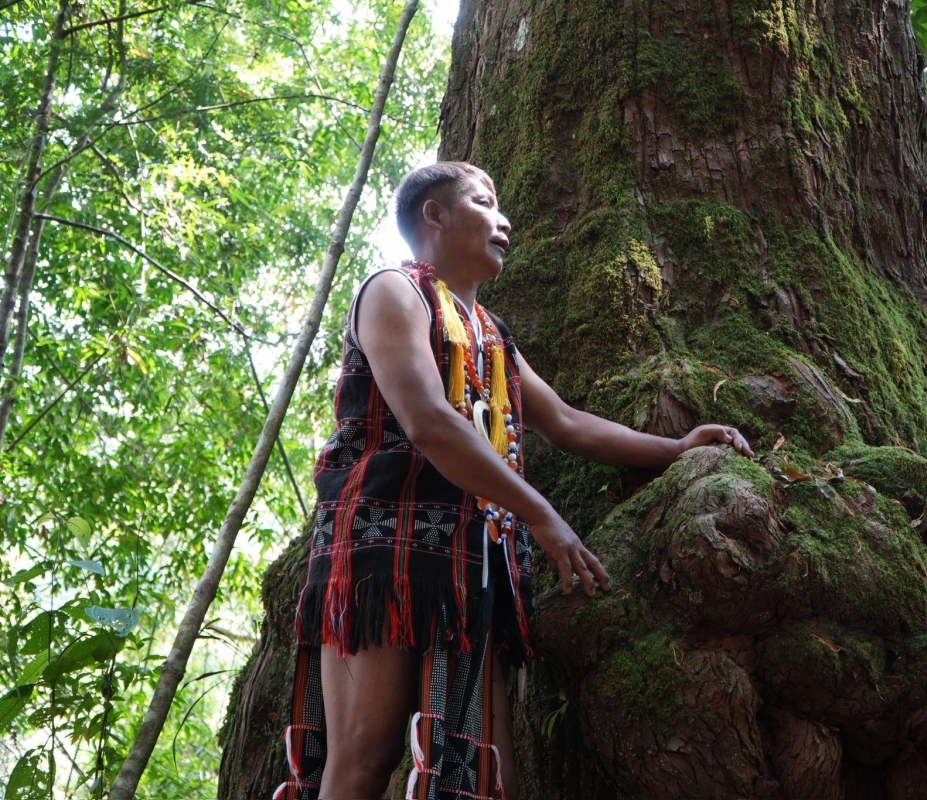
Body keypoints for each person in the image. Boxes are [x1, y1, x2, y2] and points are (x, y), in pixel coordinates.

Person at [276, 162, 754, 800]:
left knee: (486, 769)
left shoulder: (490, 333)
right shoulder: (395, 291)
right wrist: (541, 514)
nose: (504, 222)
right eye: (484, 202)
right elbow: (428, 421)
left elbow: (564, 421)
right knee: (365, 754)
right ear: (435, 215)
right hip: (380, 553)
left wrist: (674, 447)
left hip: (471, 566)